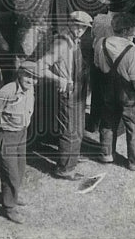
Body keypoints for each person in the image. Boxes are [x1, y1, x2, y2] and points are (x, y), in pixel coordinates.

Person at [36, 10, 93, 180]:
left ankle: (71, 157)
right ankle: (65, 169)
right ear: (70, 23)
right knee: (70, 131)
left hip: (79, 89)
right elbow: (40, 66)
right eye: (77, 26)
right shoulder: (61, 42)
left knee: (78, 129)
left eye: (83, 28)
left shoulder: (75, 41)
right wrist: (59, 79)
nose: (80, 30)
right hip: (67, 91)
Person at [95, 12, 135, 170]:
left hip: (107, 88)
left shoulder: (101, 42)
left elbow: (97, 64)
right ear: (127, 30)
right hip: (127, 93)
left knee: (108, 119)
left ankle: (106, 153)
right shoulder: (132, 50)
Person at [0, 62, 37, 224]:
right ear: (19, 74)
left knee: (20, 169)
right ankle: (9, 207)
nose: (31, 80)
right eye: (27, 75)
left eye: (34, 78)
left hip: (22, 134)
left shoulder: (31, 88)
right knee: (10, 173)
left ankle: (12, 194)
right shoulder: (7, 91)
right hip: (7, 135)